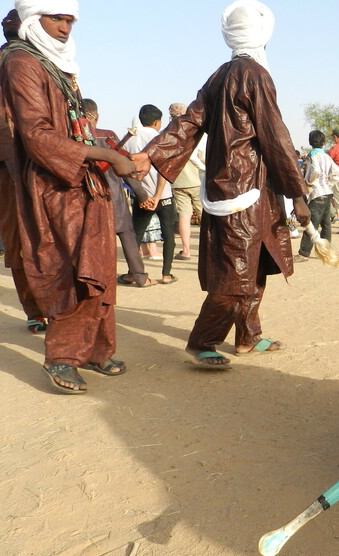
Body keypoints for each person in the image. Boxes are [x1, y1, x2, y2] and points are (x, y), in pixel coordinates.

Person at [132, 0, 310, 368]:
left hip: (246, 190)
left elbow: (188, 123)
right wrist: (298, 194)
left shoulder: (220, 74)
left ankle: (248, 337)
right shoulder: (256, 75)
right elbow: (276, 136)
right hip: (240, 192)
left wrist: (152, 152)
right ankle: (203, 340)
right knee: (235, 272)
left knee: (256, 265)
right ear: (264, 34)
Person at [0, 0, 139, 393]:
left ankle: (97, 350)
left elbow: (72, 128)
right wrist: (108, 154)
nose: (65, 27)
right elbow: (37, 136)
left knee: (97, 268)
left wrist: (114, 157)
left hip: (82, 181)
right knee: (69, 270)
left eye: (69, 20)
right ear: (33, 18)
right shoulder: (22, 62)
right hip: (54, 185)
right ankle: (62, 357)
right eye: (56, 18)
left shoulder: (56, 65)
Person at [0, 10, 47, 328]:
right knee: (18, 236)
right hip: (12, 166)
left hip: (48, 162)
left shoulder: (50, 64)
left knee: (53, 236)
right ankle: (34, 310)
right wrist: (20, 166)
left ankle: (60, 306)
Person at [83, 98, 155, 289]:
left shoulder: (74, 139)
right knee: (127, 234)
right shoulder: (107, 136)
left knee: (93, 239)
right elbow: (128, 170)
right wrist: (143, 196)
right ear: (96, 116)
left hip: (87, 197)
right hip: (113, 196)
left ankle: (97, 278)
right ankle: (140, 276)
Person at [124, 105, 178, 284]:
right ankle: (166, 274)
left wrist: (145, 196)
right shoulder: (161, 139)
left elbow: (126, 170)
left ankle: (134, 273)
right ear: (157, 122)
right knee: (168, 234)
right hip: (163, 194)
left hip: (142, 196)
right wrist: (157, 195)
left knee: (136, 236)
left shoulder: (130, 140)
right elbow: (165, 170)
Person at [296, 129, 339, 262]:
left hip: (317, 194)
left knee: (311, 223)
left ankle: (304, 253)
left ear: (310, 142)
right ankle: (326, 250)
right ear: (323, 142)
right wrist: (328, 182)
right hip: (327, 192)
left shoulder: (312, 156)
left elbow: (315, 171)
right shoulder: (327, 157)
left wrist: (309, 182)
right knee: (326, 224)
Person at [168, 102, 205, 260]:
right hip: (195, 179)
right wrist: (204, 167)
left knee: (184, 216)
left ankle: (186, 250)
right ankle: (211, 248)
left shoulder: (168, 132)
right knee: (205, 214)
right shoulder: (191, 130)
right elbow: (196, 155)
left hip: (177, 180)